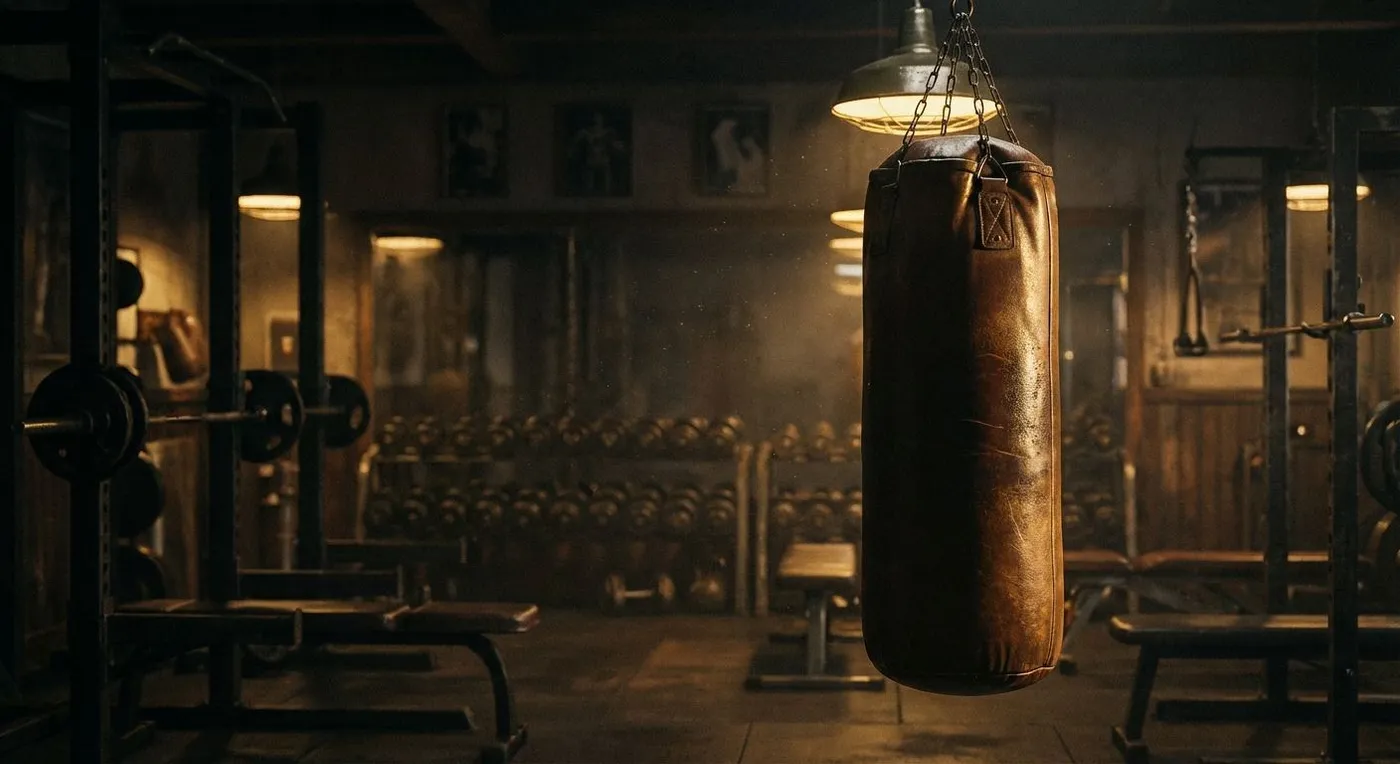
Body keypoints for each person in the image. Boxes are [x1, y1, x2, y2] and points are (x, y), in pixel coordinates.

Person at [570, 111, 626, 195]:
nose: (597, 121)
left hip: (603, 160)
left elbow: (616, 144)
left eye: (599, 118)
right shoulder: (586, 132)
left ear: (602, 120)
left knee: (607, 184)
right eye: (595, 118)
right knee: (589, 186)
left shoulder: (608, 132)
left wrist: (619, 147)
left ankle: (608, 197)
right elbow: (575, 142)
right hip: (591, 160)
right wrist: (572, 150)